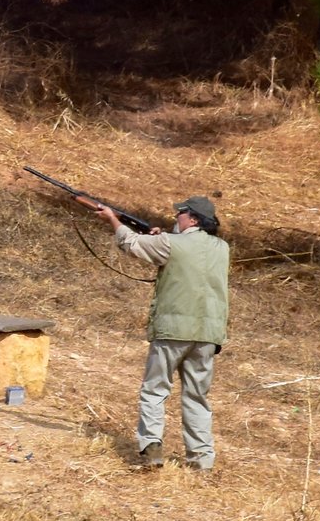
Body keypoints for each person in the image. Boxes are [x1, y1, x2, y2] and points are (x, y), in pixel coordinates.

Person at [83, 193, 229, 470]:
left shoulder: (170, 243)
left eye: (181, 214)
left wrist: (113, 220)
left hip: (173, 331)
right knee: (196, 397)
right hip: (209, 334)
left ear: (193, 219)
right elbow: (183, 254)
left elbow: (131, 243)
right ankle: (201, 461)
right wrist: (163, 237)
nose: (176, 217)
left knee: (154, 391)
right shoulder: (222, 248)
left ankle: (151, 450)